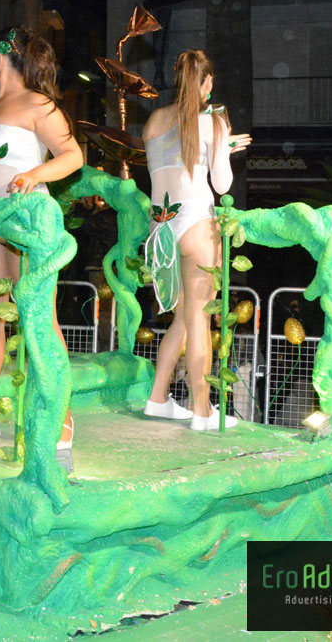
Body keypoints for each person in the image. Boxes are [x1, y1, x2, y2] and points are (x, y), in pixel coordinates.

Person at [0, 26, 83, 458]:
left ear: (2, 57)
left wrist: (34, 175)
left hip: (28, 220)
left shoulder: (37, 103)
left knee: (38, 321)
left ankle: (60, 413)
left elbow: (73, 157)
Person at [141, 49, 252, 431]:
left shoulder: (155, 119)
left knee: (185, 319)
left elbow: (173, 157)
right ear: (206, 83)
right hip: (196, 222)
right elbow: (221, 185)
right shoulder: (215, 122)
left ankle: (158, 398)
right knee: (201, 320)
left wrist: (220, 146)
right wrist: (225, 148)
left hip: (161, 227)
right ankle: (203, 412)